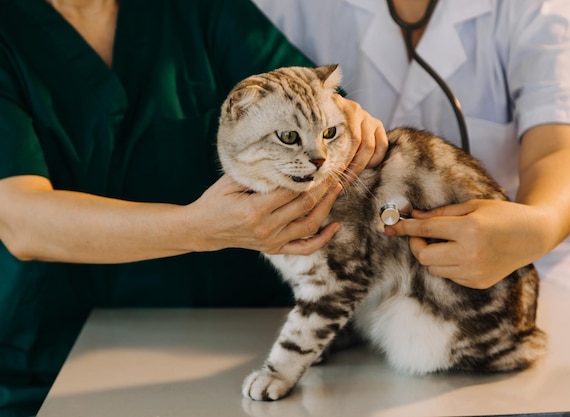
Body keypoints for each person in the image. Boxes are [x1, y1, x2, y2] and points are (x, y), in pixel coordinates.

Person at [0, 0, 387, 414]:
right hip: (57, 356)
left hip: (238, 341)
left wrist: (348, 119)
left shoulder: (204, 9)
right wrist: (198, 229)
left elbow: (316, 105)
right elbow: (20, 219)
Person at [252, 0, 570, 297]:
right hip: (358, 285)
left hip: (533, 279)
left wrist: (534, 231)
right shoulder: (285, 6)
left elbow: (559, 148)